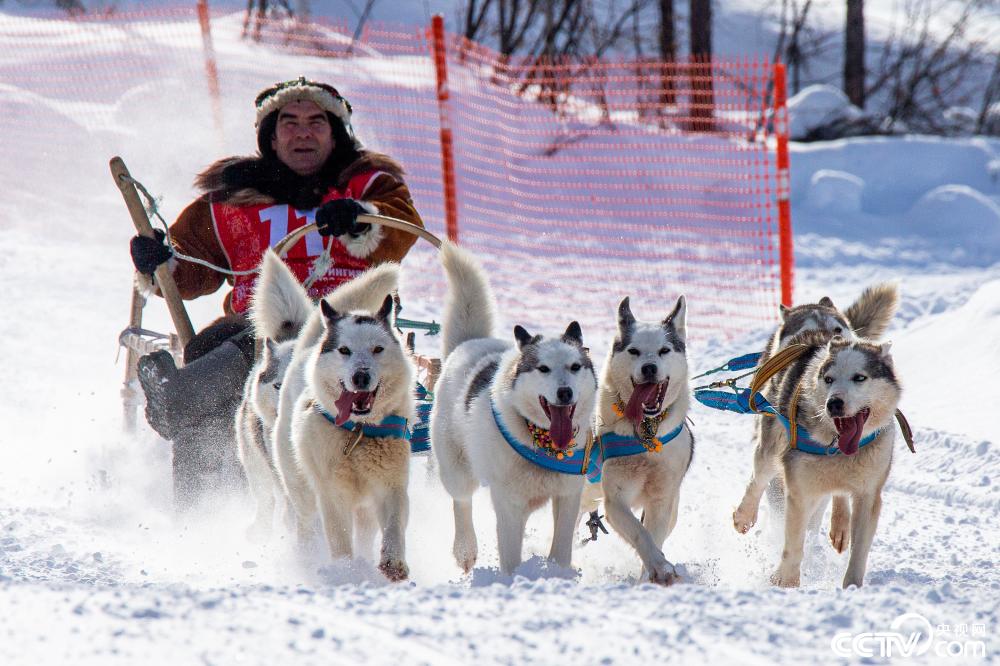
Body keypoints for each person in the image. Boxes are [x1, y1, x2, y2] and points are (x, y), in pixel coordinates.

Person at [128, 77, 424, 505]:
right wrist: (159, 259)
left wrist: (362, 216)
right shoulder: (231, 199)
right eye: (289, 122)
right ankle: (205, 519)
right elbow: (189, 268)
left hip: (346, 333)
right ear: (270, 134)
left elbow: (402, 226)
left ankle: (174, 397)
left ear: (336, 131)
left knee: (262, 354)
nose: (302, 132)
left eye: (316, 121)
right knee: (243, 349)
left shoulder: (369, 186)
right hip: (253, 331)